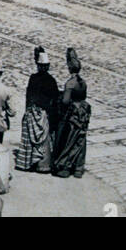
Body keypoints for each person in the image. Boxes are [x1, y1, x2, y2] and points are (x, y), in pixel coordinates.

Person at [15, 47, 57, 174]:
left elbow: (29, 96)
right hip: (43, 113)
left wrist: (27, 111)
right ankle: (42, 165)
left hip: (32, 112)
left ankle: (27, 162)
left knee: (30, 138)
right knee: (43, 140)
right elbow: (54, 99)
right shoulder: (51, 80)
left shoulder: (33, 78)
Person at [53, 47, 90, 178]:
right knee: (80, 140)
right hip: (83, 113)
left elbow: (65, 101)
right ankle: (78, 167)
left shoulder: (70, 83)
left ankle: (65, 166)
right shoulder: (83, 82)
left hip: (72, 115)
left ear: (69, 68)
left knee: (69, 140)